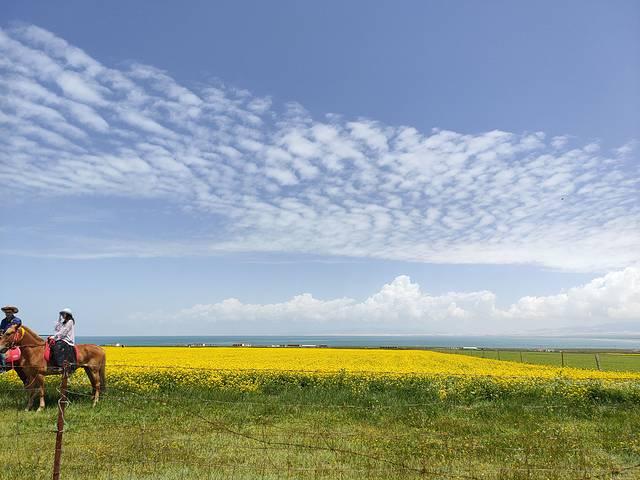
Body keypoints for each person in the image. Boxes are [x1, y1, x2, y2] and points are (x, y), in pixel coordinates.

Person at [0, 306, 22, 372]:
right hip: (5, 338)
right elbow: (1, 331)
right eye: (6, 312)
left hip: (14, 339)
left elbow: (14, 331)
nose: (7, 314)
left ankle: (3, 368)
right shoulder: (3, 321)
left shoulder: (17, 320)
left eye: (9, 312)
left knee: (1, 350)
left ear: (12, 312)